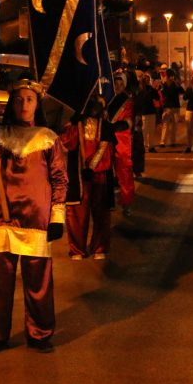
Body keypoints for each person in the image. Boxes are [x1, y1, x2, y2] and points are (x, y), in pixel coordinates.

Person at [0, 79, 67, 357]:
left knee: (38, 281)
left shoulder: (49, 138)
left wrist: (57, 216)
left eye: (29, 100)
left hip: (36, 219)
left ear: (38, 104)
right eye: (19, 99)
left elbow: (60, 179)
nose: (24, 105)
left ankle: (39, 333)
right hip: (1, 217)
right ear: (12, 103)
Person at [60, 94, 116, 260]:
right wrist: (74, 125)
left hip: (99, 175)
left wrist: (92, 167)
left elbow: (106, 149)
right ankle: (77, 249)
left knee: (101, 212)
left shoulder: (104, 125)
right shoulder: (75, 123)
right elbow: (65, 143)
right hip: (78, 174)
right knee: (77, 213)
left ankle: (99, 247)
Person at [108, 73, 136, 216]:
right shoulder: (107, 98)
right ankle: (109, 202)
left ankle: (126, 202)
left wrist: (116, 126)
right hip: (106, 140)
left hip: (121, 141)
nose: (117, 86)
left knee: (124, 173)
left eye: (120, 84)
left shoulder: (127, 101)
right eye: (116, 83)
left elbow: (129, 121)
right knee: (105, 173)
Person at [134, 73, 160, 154]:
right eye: (146, 79)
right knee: (144, 130)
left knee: (151, 131)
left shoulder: (151, 89)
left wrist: (154, 89)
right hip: (144, 112)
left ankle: (151, 146)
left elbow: (157, 97)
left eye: (148, 79)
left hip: (151, 111)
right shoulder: (140, 89)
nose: (147, 80)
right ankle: (143, 146)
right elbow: (138, 101)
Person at [160, 73, 183, 148]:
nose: (172, 78)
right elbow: (163, 93)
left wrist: (178, 85)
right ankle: (162, 141)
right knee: (166, 124)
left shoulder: (175, 84)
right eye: (171, 76)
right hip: (168, 107)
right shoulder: (166, 85)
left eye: (173, 76)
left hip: (175, 107)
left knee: (174, 125)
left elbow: (182, 91)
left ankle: (172, 141)